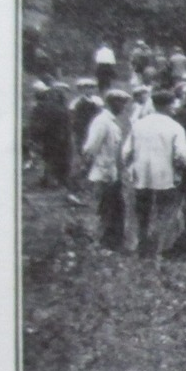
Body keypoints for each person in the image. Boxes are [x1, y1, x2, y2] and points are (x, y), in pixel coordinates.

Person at [122, 89, 186, 258]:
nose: (174, 108)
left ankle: (141, 244)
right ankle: (160, 248)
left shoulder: (139, 124)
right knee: (165, 211)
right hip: (165, 176)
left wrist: (131, 168)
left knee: (141, 211)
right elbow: (181, 155)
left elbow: (126, 152)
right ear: (167, 106)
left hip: (141, 176)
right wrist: (179, 170)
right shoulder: (174, 126)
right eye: (173, 105)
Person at [82, 88, 130, 250]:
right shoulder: (102, 122)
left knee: (116, 210)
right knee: (105, 210)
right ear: (113, 103)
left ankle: (114, 243)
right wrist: (89, 168)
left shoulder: (112, 122)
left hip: (113, 174)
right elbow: (90, 148)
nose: (123, 108)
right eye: (121, 104)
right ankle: (101, 243)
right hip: (103, 174)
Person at [27, 83, 72, 189]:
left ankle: (51, 180)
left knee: (50, 159)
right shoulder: (60, 108)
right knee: (57, 159)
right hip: (59, 138)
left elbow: (40, 125)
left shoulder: (47, 107)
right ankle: (56, 180)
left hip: (53, 138)